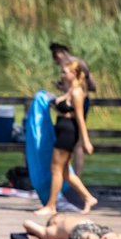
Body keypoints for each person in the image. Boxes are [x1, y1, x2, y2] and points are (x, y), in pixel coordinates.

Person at [34, 61, 98, 218]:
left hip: (68, 133)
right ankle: (88, 198)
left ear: (74, 74)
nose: (62, 75)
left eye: (65, 72)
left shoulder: (77, 93)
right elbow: (63, 107)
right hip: (62, 131)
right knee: (65, 172)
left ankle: (51, 205)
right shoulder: (70, 90)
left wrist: (85, 141)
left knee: (56, 169)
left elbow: (80, 118)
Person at [50, 43, 97, 176]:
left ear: (61, 52)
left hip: (80, 100)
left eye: (55, 55)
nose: (55, 59)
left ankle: (77, 174)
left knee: (77, 142)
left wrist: (75, 94)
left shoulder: (75, 63)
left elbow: (90, 84)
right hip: (73, 98)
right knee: (72, 143)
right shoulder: (67, 65)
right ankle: (69, 174)